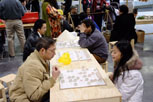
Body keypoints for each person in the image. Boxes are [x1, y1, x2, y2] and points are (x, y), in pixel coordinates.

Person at [9, 37, 60, 102]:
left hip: (30, 93)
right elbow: (34, 96)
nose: (54, 53)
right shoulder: (33, 66)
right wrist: (52, 79)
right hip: (22, 98)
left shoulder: (40, 56)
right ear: (42, 51)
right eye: (52, 51)